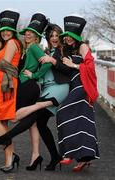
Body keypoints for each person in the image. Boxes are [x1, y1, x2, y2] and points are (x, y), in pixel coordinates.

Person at [0, 23, 71, 171]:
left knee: (19, 117)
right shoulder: (33, 49)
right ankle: (49, 156)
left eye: (31, 33)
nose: (28, 34)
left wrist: (35, 75)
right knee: (38, 123)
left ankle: (3, 139)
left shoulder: (41, 48)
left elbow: (50, 66)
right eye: (26, 32)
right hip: (41, 87)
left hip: (44, 87)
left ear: (37, 36)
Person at [55, 15, 100, 172]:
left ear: (76, 36)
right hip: (74, 87)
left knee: (62, 112)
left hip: (83, 87)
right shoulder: (69, 49)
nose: (67, 38)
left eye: (70, 36)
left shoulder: (83, 47)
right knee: (83, 122)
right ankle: (84, 158)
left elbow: (90, 68)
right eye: (66, 36)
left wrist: (73, 64)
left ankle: (68, 154)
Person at [0, 9, 22, 173]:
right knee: (1, 123)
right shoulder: (4, 44)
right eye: (3, 30)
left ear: (13, 31)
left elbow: (4, 64)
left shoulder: (12, 43)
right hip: (1, 85)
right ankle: (9, 157)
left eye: (9, 30)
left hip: (5, 86)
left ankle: (11, 154)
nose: (6, 32)